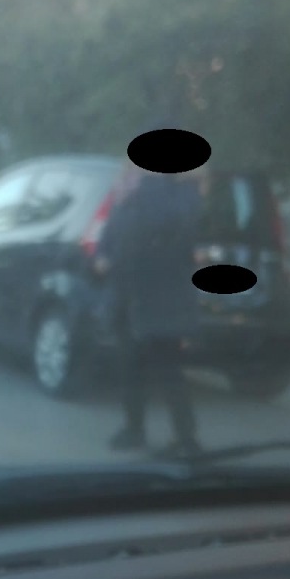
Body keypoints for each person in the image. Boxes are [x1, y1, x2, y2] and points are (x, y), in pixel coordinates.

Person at [93, 161, 206, 459]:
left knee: (169, 372)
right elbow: (108, 240)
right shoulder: (125, 203)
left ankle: (186, 439)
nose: (130, 178)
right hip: (128, 300)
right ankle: (134, 428)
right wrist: (102, 258)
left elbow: (167, 224)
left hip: (161, 303)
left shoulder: (179, 197)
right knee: (130, 369)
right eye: (129, 173)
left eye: (137, 172)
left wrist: (150, 184)